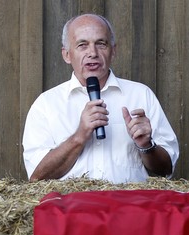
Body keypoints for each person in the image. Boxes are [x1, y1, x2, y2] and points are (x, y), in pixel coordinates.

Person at [22, 14, 179, 182]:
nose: (93, 53)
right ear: (67, 55)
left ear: (113, 51)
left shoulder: (141, 95)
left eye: (101, 44)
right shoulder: (46, 104)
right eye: (82, 45)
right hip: (71, 207)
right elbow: (37, 177)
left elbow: (166, 169)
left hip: (128, 205)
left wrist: (147, 146)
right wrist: (79, 136)